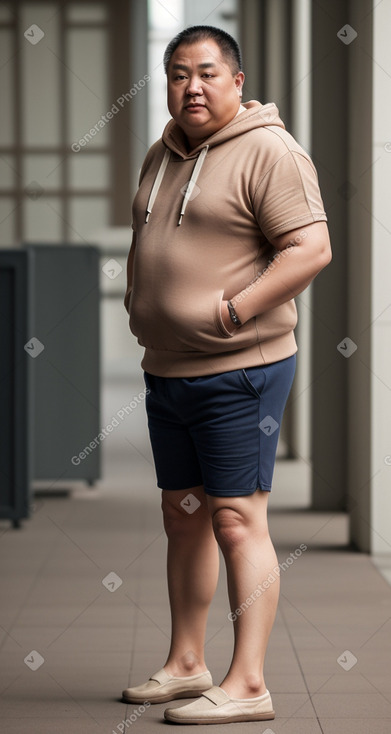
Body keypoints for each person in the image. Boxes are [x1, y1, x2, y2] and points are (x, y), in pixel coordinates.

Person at [122, 25, 331, 726]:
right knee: (183, 519)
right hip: (169, 369)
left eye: (207, 73)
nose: (192, 87)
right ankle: (187, 663)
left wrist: (233, 311)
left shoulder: (269, 150)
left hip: (240, 370)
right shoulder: (162, 152)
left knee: (237, 522)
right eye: (178, 74)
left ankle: (248, 683)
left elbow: (310, 248)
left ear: (236, 81)